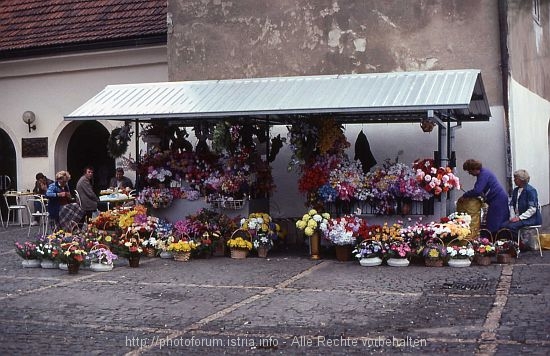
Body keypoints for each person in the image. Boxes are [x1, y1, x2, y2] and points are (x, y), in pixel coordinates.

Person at [461, 159, 509, 234]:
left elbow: (477, 190)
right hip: (497, 199)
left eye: (469, 171)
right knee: (496, 222)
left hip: (498, 200)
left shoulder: (483, 175)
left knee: (494, 224)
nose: (470, 173)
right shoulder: (484, 173)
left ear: (474, 169)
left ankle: (495, 241)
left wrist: (465, 195)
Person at [503, 169, 542, 235]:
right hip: (519, 217)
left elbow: (532, 209)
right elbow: (512, 204)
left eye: (516, 178)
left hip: (531, 219)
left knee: (511, 227)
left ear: (522, 180)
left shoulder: (531, 191)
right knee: (503, 226)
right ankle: (509, 243)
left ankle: (520, 243)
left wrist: (519, 218)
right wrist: (512, 217)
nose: (514, 180)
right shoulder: (515, 190)